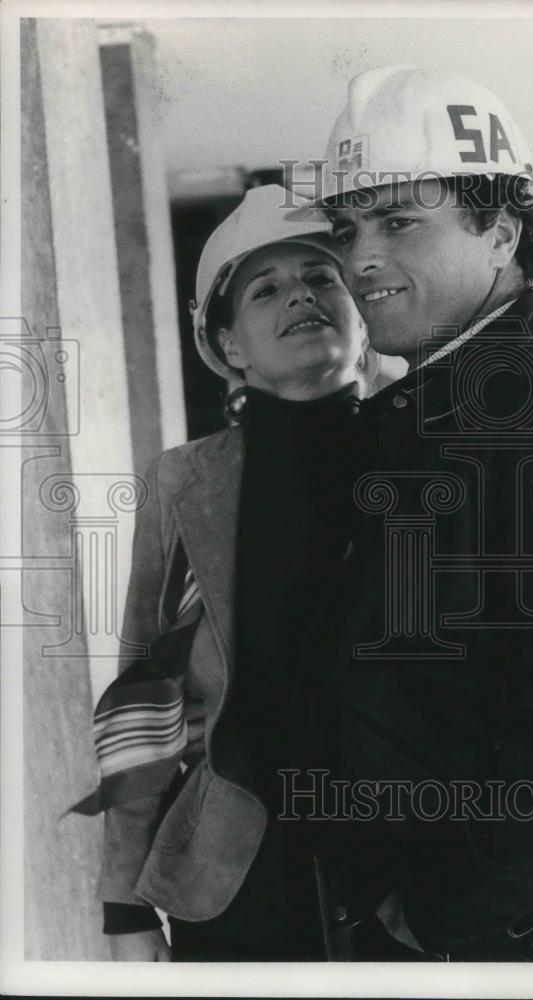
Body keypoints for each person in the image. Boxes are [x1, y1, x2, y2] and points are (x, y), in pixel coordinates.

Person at [291, 66, 533, 962]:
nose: (361, 259)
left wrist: (436, 915)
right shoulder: (445, 407)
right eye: (350, 229)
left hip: (491, 936)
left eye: (399, 222)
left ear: (500, 234)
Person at [80, 184, 377, 961]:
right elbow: (143, 706)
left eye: (322, 278)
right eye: (265, 288)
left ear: (360, 310)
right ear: (230, 344)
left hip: (402, 870)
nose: (300, 297)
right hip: (236, 872)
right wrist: (125, 906)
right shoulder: (183, 486)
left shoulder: (423, 455)